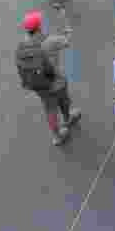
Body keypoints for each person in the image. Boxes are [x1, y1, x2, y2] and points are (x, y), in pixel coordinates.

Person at [15, 11, 80, 146]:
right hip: (56, 80)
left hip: (39, 85)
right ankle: (68, 118)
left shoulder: (23, 44)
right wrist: (64, 18)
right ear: (39, 27)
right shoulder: (51, 41)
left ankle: (56, 137)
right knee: (64, 100)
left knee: (50, 109)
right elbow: (67, 39)